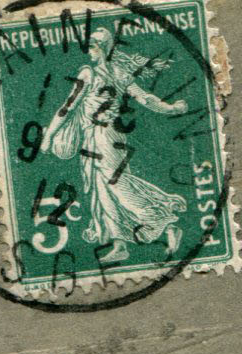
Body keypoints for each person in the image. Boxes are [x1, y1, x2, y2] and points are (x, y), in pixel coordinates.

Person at [41, 26, 189, 262]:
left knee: (117, 185)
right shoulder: (120, 73)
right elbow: (146, 99)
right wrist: (170, 108)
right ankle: (120, 244)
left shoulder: (89, 74)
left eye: (92, 46)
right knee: (102, 190)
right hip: (107, 137)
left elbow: (67, 107)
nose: (89, 51)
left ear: (102, 49)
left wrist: (48, 137)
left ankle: (164, 222)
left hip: (103, 137)